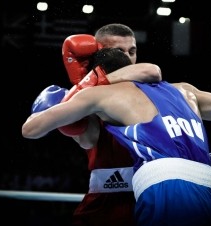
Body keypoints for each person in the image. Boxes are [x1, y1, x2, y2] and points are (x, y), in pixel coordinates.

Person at [22, 48, 211, 226]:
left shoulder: (99, 94)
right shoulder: (184, 90)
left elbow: (30, 130)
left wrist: (79, 89)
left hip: (166, 188)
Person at [59, 23, 161, 226]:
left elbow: (152, 71)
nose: (127, 58)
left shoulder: (157, 91)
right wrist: (85, 87)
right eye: (118, 51)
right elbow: (87, 140)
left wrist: (92, 81)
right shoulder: (86, 97)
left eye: (132, 51)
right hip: (102, 205)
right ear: (99, 54)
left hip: (152, 196)